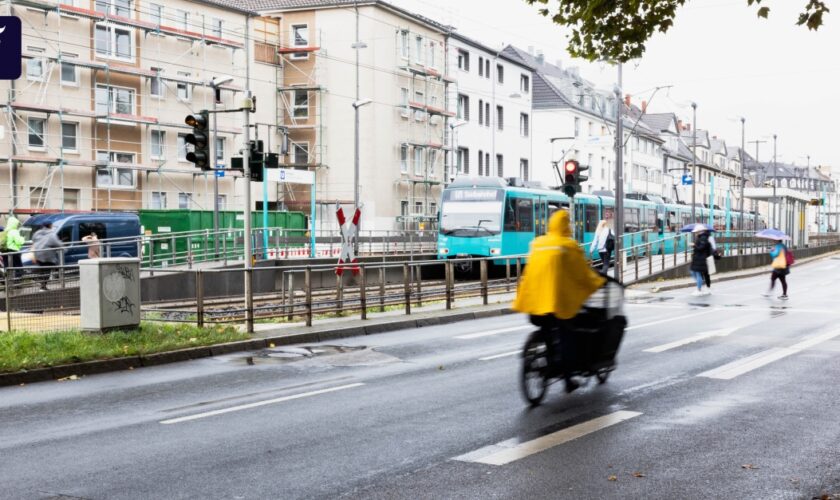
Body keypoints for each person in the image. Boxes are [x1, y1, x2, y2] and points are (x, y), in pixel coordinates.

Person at [512, 210, 606, 393]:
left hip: (532, 303)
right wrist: (598, 283)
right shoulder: (567, 245)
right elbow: (583, 275)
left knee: (547, 331)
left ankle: (543, 359)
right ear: (566, 225)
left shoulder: (537, 243)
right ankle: (568, 378)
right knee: (567, 336)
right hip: (556, 304)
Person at [31, 223, 64, 291]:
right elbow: (57, 244)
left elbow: (33, 241)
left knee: (43, 269)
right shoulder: (51, 234)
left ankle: (42, 285)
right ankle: (42, 286)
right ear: (50, 226)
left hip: (38, 254)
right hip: (47, 256)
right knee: (47, 270)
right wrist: (64, 248)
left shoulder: (37, 233)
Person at [689, 226, 713, 296]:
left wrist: (694, 245)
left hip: (701, 258)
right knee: (693, 272)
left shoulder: (703, 238)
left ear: (700, 231)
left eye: (696, 232)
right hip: (697, 258)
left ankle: (699, 289)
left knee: (698, 273)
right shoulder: (701, 237)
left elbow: (701, 248)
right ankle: (700, 285)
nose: (695, 233)